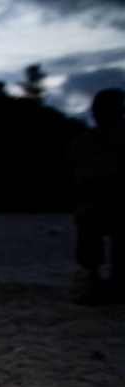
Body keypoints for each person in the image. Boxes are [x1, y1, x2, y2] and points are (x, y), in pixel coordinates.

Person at [66, 87, 124, 305]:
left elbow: (70, 172)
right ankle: (116, 278)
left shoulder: (82, 142)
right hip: (107, 206)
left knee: (89, 217)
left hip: (92, 207)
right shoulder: (86, 142)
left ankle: (94, 277)